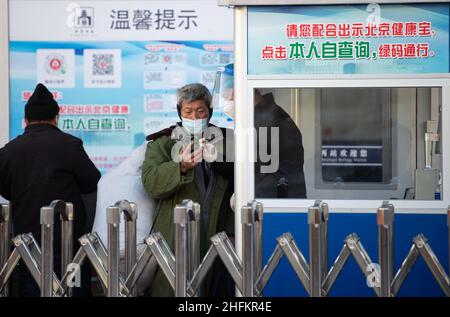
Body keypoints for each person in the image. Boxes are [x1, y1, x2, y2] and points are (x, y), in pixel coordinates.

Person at [0, 83, 101, 296]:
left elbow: (5, 190)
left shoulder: (9, 151)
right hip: (69, 246)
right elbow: (91, 181)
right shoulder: (70, 144)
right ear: (56, 117)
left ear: (26, 120)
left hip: (27, 248)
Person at [141, 83, 234, 297]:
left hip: (221, 235)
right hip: (176, 237)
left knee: (216, 289)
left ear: (209, 112)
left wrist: (219, 161)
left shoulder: (228, 140)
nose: (194, 117)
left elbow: (248, 175)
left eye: (200, 111)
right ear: (179, 112)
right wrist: (179, 167)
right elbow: (151, 182)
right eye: (188, 112)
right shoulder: (163, 143)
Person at [254, 89, 307, 198]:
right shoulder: (269, 113)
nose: (229, 98)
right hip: (282, 194)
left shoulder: (265, 118)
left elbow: (256, 163)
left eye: (231, 95)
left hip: (277, 199)